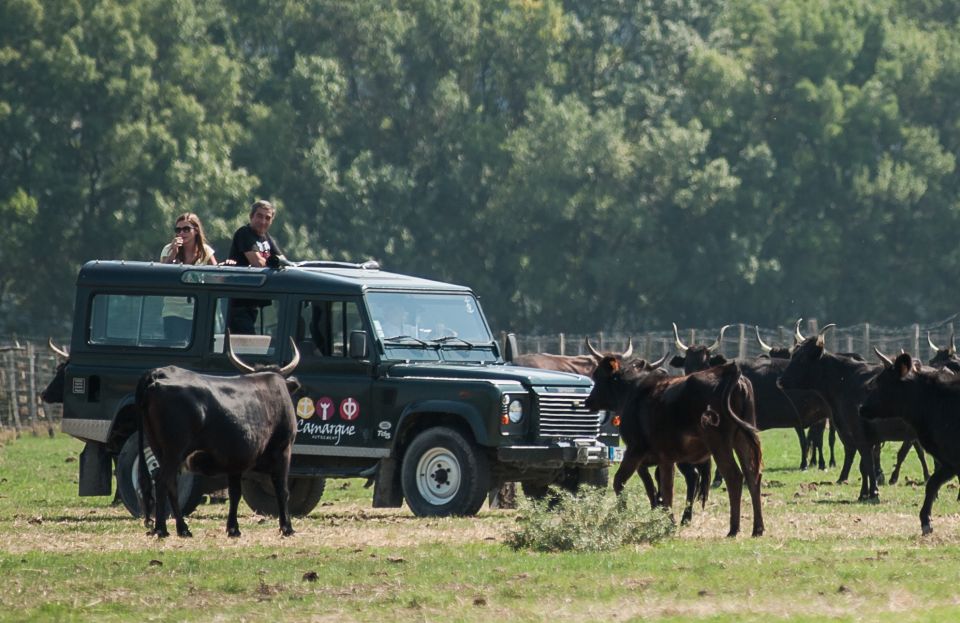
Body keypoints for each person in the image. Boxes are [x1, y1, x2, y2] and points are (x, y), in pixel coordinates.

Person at [226, 200, 290, 334]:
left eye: (268, 218)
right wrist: (272, 262)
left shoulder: (265, 237)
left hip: (254, 302)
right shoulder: (244, 233)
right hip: (240, 303)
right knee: (247, 346)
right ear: (251, 216)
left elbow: (283, 261)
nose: (263, 221)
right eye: (259, 216)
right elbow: (257, 263)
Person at [159, 213, 217, 343]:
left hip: (198, 309)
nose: (182, 233)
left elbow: (217, 276)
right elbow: (162, 275)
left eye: (186, 229)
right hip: (173, 310)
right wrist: (173, 253)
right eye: (178, 230)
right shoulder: (168, 249)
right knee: (175, 347)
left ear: (196, 231)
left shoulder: (206, 251)